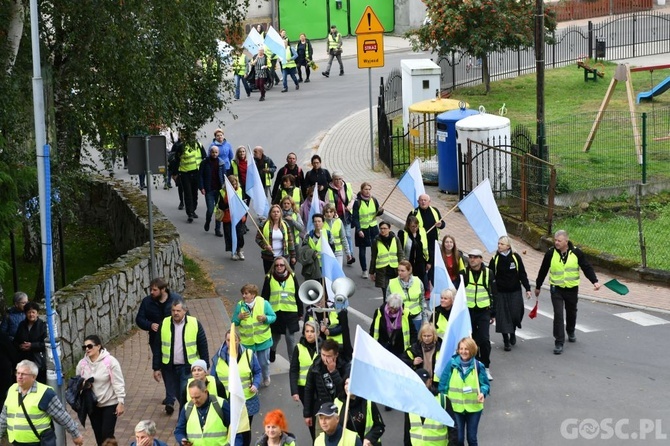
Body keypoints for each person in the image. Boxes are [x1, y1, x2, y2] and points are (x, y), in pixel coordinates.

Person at [534, 229, 601, 355]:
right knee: (558, 315)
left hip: (571, 289)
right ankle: (559, 342)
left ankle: (570, 330)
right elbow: (543, 270)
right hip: (556, 289)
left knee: (571, 311)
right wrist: (538, 286)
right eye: (555, 240)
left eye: (559, 241)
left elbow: (586, 267)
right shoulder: (550, 253)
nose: (556, 243)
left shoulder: (576, 253)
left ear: (566, 241)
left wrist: (594, 281)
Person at [0, 360, 84, 446]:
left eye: (23, 374)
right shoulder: (12, 390)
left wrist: (75, 434)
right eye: (18, 373)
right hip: (16, 442)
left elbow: (62, 416)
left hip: (39, 442)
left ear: (33, 377)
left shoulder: (45, 393)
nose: (19, 377)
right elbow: (4, 416)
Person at [152, 299, 209, 415]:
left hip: (188, 367)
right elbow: (157, 346)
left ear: (185, 311)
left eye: (178, 310)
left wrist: (205, 366)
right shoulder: (165, 323)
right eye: (173, 310)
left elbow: (203, 345)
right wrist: (156, 368)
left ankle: (182, 421)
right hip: (169, 368)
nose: (175, 313)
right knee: (176, 393)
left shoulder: (194, 323)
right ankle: (187, 416)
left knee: (184, 393)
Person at [211, 328, 260, 446]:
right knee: (232, 427)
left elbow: (257, 371)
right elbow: (213, 378)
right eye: (228, 340)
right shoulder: (218, 358)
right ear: (225, 341)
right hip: (228, 400)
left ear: (239, 340)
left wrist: (255, 384)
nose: (231, 343)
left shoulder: (248, 354)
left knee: (245, 428)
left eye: (234, 340)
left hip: (247, 399)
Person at [438, 337, 490, 446]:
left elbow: (485, 385)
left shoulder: (478, 366)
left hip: (474, 408)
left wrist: (482, 393)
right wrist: (443, 401)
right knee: (459, 439)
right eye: (461, 349)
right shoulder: (451, 365)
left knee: (472, 439)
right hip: (455, 408)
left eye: (466, 349)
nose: (463, 351)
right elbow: (442, 385)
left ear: (472, 350)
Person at [76, 335, 126, 445]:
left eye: (90, 346)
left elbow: (118, 382)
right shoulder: (82, 364)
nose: (87, 349)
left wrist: (121, 401)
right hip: (93, 406)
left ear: (98, 346)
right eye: (85, 347)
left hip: (110, 403)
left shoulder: (110, 362)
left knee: (107, 434)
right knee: (99, 436)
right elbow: (77, 383)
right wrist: (83, 384)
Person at [490, 235, 532, 351]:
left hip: (515, 291)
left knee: (516, 314)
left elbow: (522, 274)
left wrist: (527, 289)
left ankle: (512, 331)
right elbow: (491, 276)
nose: (499, 246)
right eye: (498, 244)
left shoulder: (516, 258)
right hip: (501, 293)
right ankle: (506, 340)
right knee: (502, 317)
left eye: (501, 244)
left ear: (508, 246)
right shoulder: (495, 259)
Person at [232, 284, 276, 387]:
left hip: (263, 340)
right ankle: (252, 382)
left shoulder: (264, 303)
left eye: (246, 293)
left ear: (253, 294)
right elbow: (234, 322)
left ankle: (266, 377)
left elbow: (273, 317)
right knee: (249, 364)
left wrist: (266, 318)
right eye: (243, 293)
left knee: (263, 363)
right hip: (247, 342)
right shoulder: (240, 305)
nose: (243, 296)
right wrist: (238, 317)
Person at [303, 340, 350, 435]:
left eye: (328, 356)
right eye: (323, 355)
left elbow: (344, 391)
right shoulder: (316, 366)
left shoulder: (344, 366)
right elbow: (309, 389)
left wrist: (333, 372)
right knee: (319, 439)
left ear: (336, 355)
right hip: (321, 409)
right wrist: (307, 414)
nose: (325, 359)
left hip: (338, 410)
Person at [261, 256, 303, 363]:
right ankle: (272, 351)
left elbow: (298, 295)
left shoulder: (292, 276)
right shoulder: (269, 278)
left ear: (285, 266)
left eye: (281, 265)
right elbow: (264, 297)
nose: (279, 267)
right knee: (275, 339)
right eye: (277, 265)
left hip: (290, 313)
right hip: (275, 314)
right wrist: (263, 312)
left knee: (290, 339)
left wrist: (300, 312)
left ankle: (293, 363)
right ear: (274, 267)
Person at [463, 248, 494, 381]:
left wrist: (493, 313)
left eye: (475, 257)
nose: (472, 259)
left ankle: (486, 366)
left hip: (483, 311)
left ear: (481, 259)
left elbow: (494, 293)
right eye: (470, 257)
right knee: (471, 340)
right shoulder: (464, 273)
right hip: (468, 312)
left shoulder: (488, 273)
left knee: (484, 339)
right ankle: (473, 364)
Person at [405, 368, 458, 446]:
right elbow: (407, 429)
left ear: (430, 381)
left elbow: (453, 428)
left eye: (423, 382)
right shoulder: (410, 403)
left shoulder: (443, 400)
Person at [174, 380, 231, 446]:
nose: (194, 401)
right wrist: (182, 439)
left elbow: (235, 428)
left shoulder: (221, 404)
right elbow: (179, 430)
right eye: (192, 397)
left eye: (197, 397)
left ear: (206, 392)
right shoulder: (187, 407)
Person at [335, 378, 385, 446]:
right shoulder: (338, 402)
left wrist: (369, 438)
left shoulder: (368, 402)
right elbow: (334, 428)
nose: (348, 386)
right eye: (346, 383)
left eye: (351, 383)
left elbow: (380, 426)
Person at [409, 194, 446, 284]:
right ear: (418, 202)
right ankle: (424, 286)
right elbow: (409, 227)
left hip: (433, 244)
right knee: (423, 267)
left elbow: (443, 224)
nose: (423, 202)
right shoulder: (414, 213)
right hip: (421, 245)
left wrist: (440, 224)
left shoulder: (435, 211)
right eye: (421, 200)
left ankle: (432, 284)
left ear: (429, 202)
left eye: (425, 200)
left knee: (432, 266)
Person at [289, 321, 319, 426]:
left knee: (318, 415)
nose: (309, 334)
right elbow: (293, 370)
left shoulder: (322, 347)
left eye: (312, 331)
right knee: (310, 415)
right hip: (304, 388)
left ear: (318, 333)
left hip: (318, 387)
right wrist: (294, 391)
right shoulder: (298, 347)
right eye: (307, 331)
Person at [370, 294, 416, 360]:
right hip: (383, 347)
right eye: (391, 307)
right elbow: (373, 330)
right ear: (388, 304)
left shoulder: (406, 314)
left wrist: (412, 348)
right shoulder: (379, 312)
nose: (393, 310)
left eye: (396, 308)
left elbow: (413, 332)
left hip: (399, 349)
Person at [352, 182, 383, 279]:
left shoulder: (374, 200)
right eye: (366, 189)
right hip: (362, 229)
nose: (368, 191)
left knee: (376, 250)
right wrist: (358, 229)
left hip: (373, 228)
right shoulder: (357, 202)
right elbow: (355, 217)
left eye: (369, 189)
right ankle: (364, 270)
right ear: (361, 190)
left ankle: (375, 270)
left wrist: (381, 211)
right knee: (362, 250)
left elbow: (377, 213)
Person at [256, 204, 297, 273]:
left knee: (281, 276)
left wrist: (293, 256)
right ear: (270, 213)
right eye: (274, 212)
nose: (276, 213)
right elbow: (258, 239)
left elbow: (290, 241)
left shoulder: (285, 225)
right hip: (268, 257)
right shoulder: (264, 224)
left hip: (282, 257)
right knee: (269, 276)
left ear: (280, 213)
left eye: (278, 212)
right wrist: (265, 246)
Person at [13, 302, 47, 384]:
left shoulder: (42, 326)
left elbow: (45, 344)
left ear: (37, 313)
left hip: (37, 360)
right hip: (24, 359)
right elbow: (15, 341)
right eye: (29, 312)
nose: (31, 315)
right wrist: (20, 346)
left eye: (33, 312)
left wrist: (32, 345)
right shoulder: (22, 325)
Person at [387, 260, 425, 333]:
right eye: (398, 270)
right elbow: (387, 303)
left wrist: (425, 319)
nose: (399, 273)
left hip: (416, 316)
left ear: (409, 271)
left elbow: (422, 300)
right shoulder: (392, 283)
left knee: (415, 340)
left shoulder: (418, 281)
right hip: (400, 317)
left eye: (402, 271)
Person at [177, 131, 207, 223]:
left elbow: (204, 157)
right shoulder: (181, 146)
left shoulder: (199, 145)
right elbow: (176, 159)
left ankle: (193, 210)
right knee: (188, 194)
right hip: (185, 173)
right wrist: (175, 173)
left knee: (194, 193)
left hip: (196, 173)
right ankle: (189, 213)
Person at [369, 221, 404, 300]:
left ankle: (394, 309)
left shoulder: (395, 239)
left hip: (394, 270)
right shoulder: (376, 241)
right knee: (386, 293)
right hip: (382, 271)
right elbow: (373, 256)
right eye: (381, 228)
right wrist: (371, 272)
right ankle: (386, 310)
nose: (382, 230)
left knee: (395, 292)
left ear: (389, 229)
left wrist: (402, 268)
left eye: (385, 228)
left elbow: (400, 253)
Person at [325, 172, 355, 261]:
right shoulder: (329, 190)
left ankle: (350, 255)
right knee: (338, 234)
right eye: (336, 179)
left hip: (346, 215)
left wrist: (350, 205)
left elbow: (353, 197)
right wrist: (333, 213)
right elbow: (327, 203)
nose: (338, 181)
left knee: (347, 235)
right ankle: (333, 250)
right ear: (333, 179)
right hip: (335, 217)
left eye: (339, 179)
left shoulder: (347, 186)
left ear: (342, 179)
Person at [298, 213, 335, 281]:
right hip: (313, 265)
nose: (317, 223)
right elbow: (303, 249)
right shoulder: (309, 235)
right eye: (315, 221)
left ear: (323, 222)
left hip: (325, 265)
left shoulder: (328, 234)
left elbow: (332, 249)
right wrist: (312, 253)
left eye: (319, 221)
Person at [218, 174, 248, 258]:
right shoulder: (222, 192)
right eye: (232, 184)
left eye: (235, 184)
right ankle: (233, 252)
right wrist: (228, 202)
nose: (234, 186)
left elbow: (244, 201)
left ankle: (239, 250)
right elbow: (221, 206)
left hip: (238, 216)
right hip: (228, 217)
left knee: (240, 234)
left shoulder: (240, 190)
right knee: (230, 235)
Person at [398, 215, 430, 291]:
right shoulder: (403, 234)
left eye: (416, 226)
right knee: (408, 281)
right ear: (408, 226)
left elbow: (426, 246)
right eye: (412, 226)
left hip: (420, 261)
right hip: (408, 261)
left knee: (420, 281)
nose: (415, 228)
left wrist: (428, 261)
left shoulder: (422, 232)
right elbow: (401, 249)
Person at [199, 145, 226, 236]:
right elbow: (200, 176)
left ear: (218, 153)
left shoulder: (221, 163)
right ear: (210, 152)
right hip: (209, 190)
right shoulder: (204, 163)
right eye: (212, 152)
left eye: (216, 152)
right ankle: (208, 221)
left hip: (219, 190)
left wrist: (225, 188)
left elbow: (224, 176)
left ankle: (217, 229)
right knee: (210, 209)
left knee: (219, 211)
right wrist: (202, 187)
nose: (214, 154)